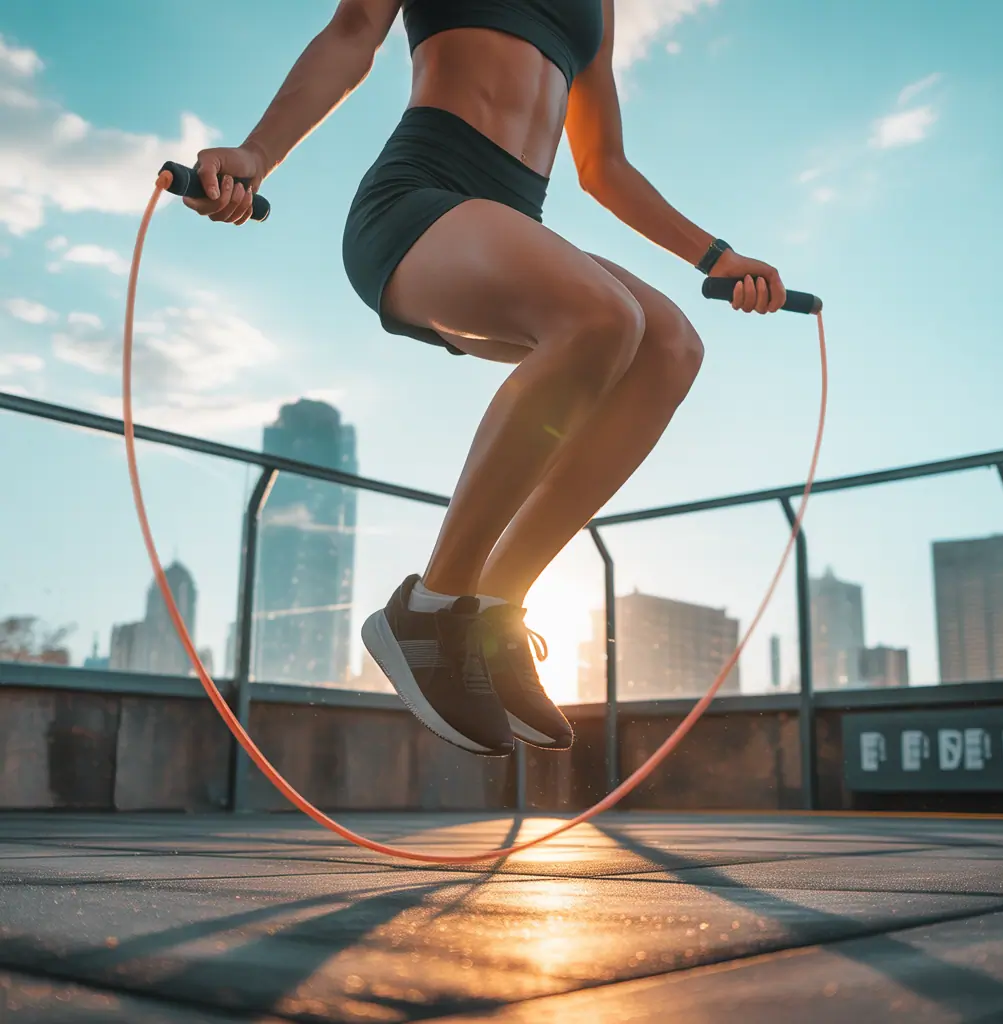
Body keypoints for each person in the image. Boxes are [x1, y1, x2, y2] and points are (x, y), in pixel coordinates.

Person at [184, 0, 787, 759]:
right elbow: (352, 33)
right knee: (605, 317)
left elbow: (603, 166)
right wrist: (257, 154)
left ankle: (497, 608)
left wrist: (715, 257)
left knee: (670, 346)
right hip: (416, 206)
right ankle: (431, 608)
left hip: (509, 233)